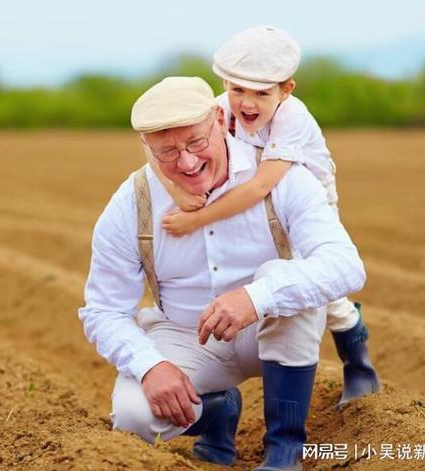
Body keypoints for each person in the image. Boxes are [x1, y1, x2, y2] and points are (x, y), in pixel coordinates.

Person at [78, 76, 366, 470]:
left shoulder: (279, 176)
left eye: (196, 142)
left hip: (270, 326)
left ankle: (284, 448)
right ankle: (216, 412)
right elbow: (103, 310)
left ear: (218, 118)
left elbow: (346, 265)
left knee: (287, 280)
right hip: (186, 334)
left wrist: (256, 296)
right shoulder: (132, 203)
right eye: (168, 152)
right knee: (133, 417)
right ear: (146, 147)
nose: (188, 162)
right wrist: (151, 366)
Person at [150, 26, 380, 409]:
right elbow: (157, 140)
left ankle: (359, 365)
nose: (247, 102)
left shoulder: (293, 118)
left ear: (286, 90)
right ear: (224, 83)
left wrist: (196, 218)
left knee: (323, 287)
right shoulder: (218, 109)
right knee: (264, 277)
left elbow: (262, 185)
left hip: (301, 197)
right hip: (252, 200)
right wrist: (179, 194)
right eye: (238, 89)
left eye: (262, 93)